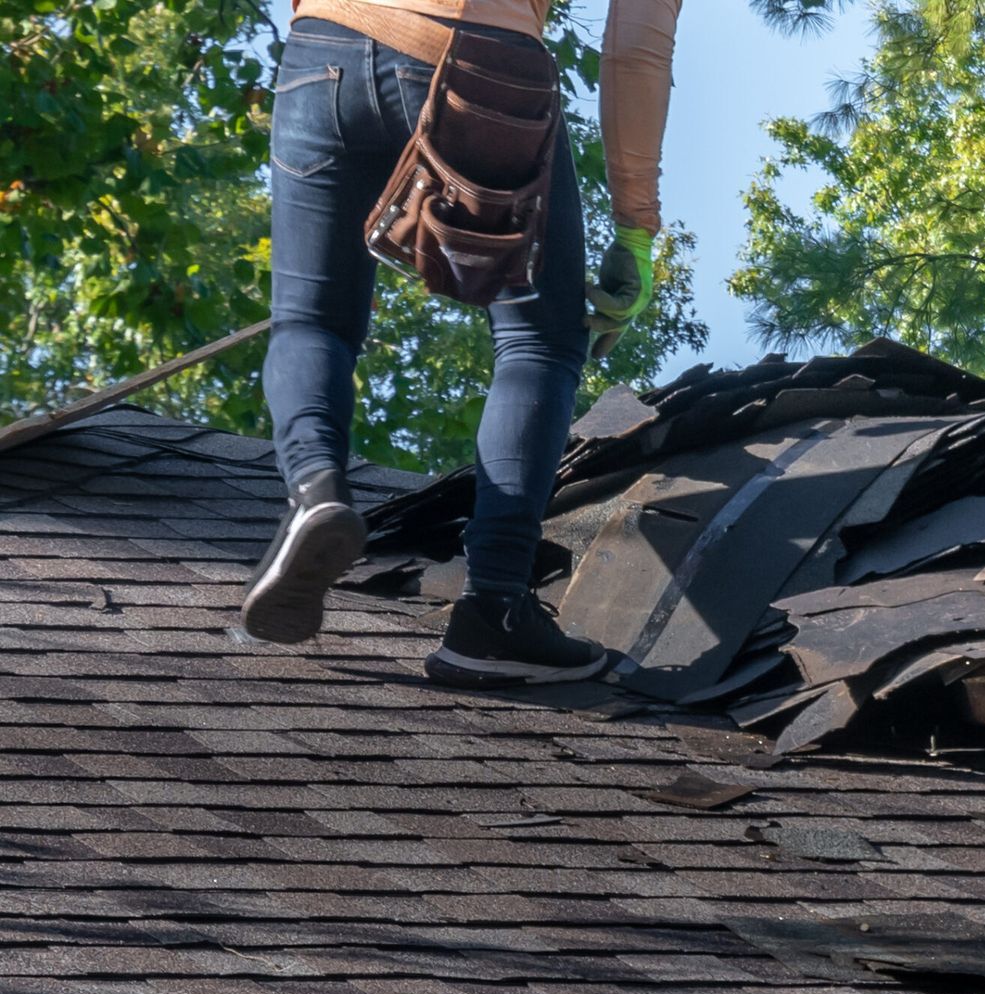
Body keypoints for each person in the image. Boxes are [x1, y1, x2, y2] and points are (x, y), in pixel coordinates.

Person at [240, 0, 682, 683]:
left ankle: (314, 490)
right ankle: (494, 608)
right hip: (484, 57)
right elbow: (636, 46)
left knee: (311, 319)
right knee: (540, 341)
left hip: (320, 47)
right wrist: (634, 227)